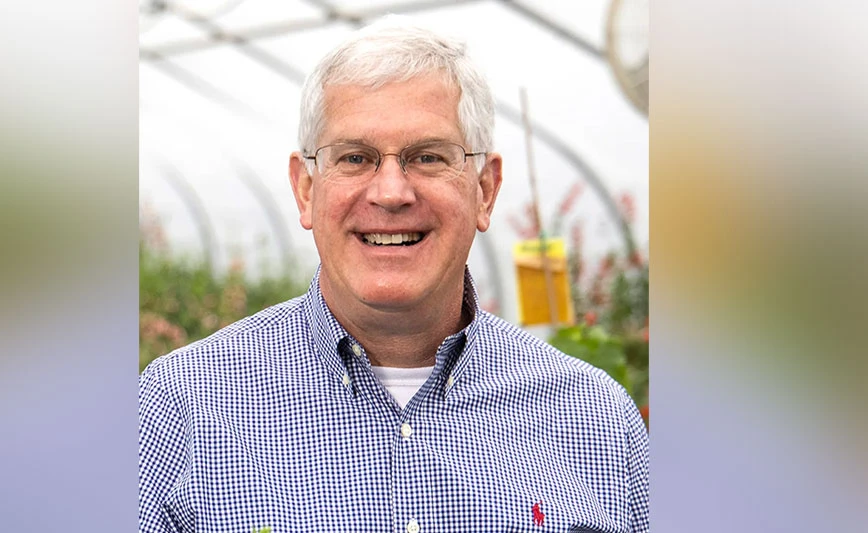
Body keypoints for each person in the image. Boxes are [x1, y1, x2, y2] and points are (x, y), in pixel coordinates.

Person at [139, 16, 649, 533]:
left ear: (485, 189)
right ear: (306, 190)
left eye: (427, 157)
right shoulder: (181, 409)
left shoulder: (597, 419)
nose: (390, 192)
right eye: (355, 158)